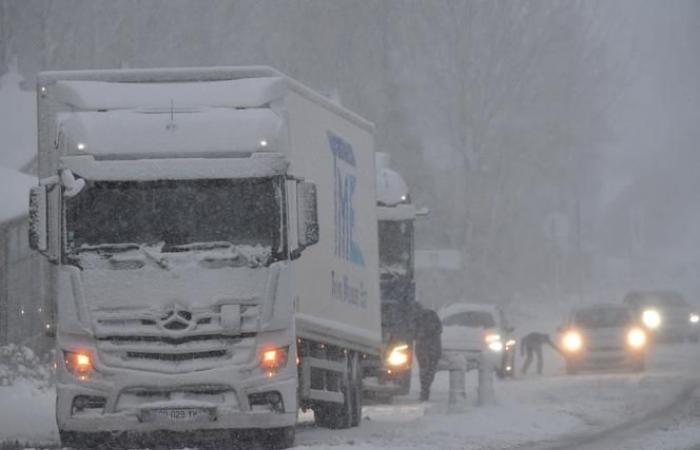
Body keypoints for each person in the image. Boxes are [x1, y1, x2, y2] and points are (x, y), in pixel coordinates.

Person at [414, 306, 443, 401]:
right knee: (430, 370)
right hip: (433, 348)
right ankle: (425, 389)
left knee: (424, 370)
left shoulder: (418, 318)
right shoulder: (432, 316)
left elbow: (413, 333)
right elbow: (439, 329)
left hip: (424, 347)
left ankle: (425, 390)